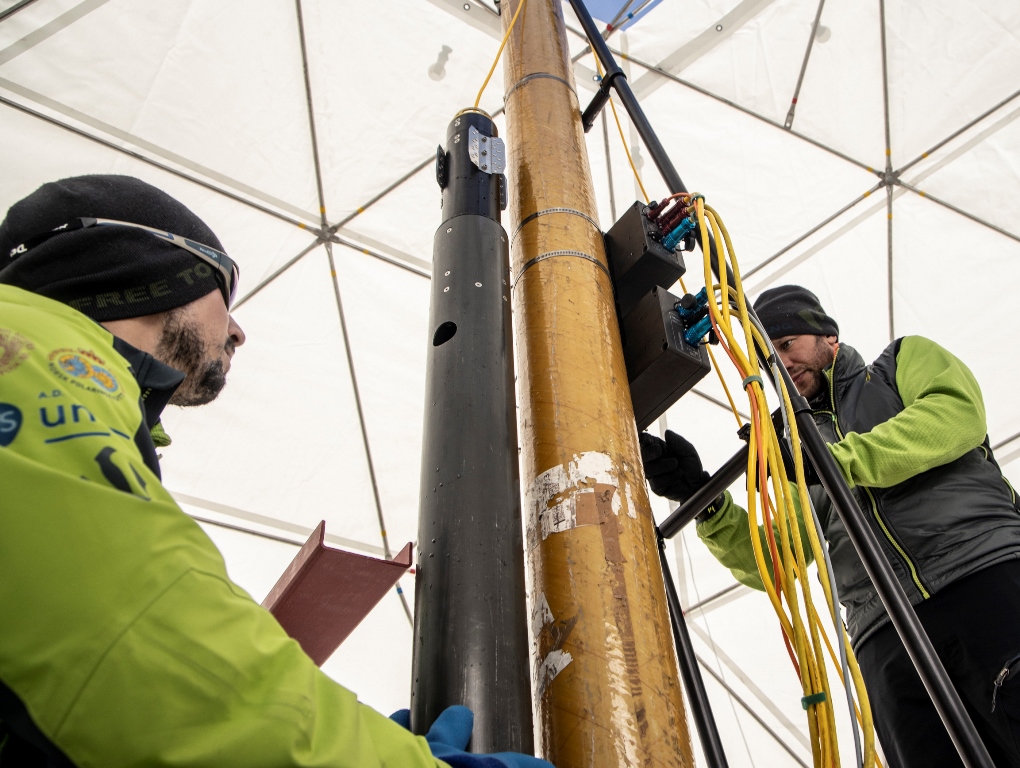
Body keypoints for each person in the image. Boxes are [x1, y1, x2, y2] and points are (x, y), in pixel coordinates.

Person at [0, 175, 551, 768]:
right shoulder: (32, 354)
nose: (236, 330)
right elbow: (145, 646)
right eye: (222, 289)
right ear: (148, 265)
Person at [640, 285, 1020, 767]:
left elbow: (954, 416)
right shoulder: (799, 453)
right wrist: (706, 503)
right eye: (769, 358)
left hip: (981, 576)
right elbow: (776, 562)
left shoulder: (901, 363)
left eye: (786, 344)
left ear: (828, 338)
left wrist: (831, 463)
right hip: (882, 632)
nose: (781, 363)